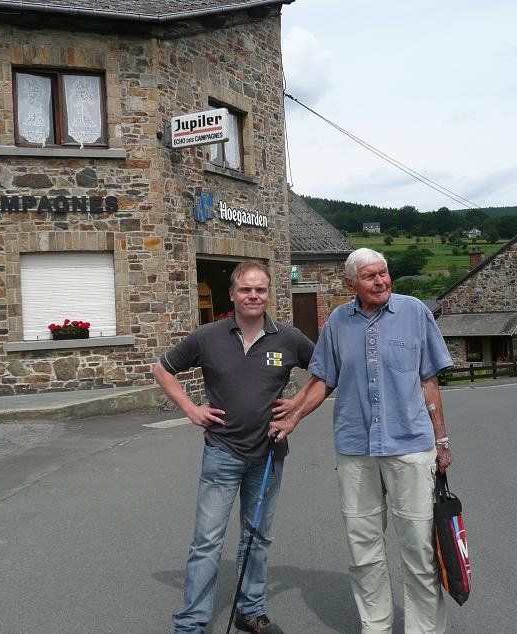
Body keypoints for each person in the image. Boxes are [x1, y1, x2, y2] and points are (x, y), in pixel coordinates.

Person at [271, 247, 453, 634]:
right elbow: (323, 379)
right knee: (363, 549)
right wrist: (295, 414)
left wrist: (442, 441)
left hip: (409, 446)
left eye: (383, 273)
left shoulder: (415, 312)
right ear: (350, 283)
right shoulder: (338, 322)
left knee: (419, 549)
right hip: (355, 449)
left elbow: (429, 381)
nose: (381, 281)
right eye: (370, 277)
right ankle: (376, 627)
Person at [154, 260, 314, 634]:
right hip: (222, 453)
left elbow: (327, 371)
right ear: (233, 294)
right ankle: (191, 622)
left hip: (269, 455)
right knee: (207, 541)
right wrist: (191, 409)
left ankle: (250, 610)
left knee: (257, 538)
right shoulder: (207, 336)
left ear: (268, 293)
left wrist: (296, 407)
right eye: (245, 289)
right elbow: (162, 370)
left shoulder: (289, 338)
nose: (253, 295)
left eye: (260, 289)